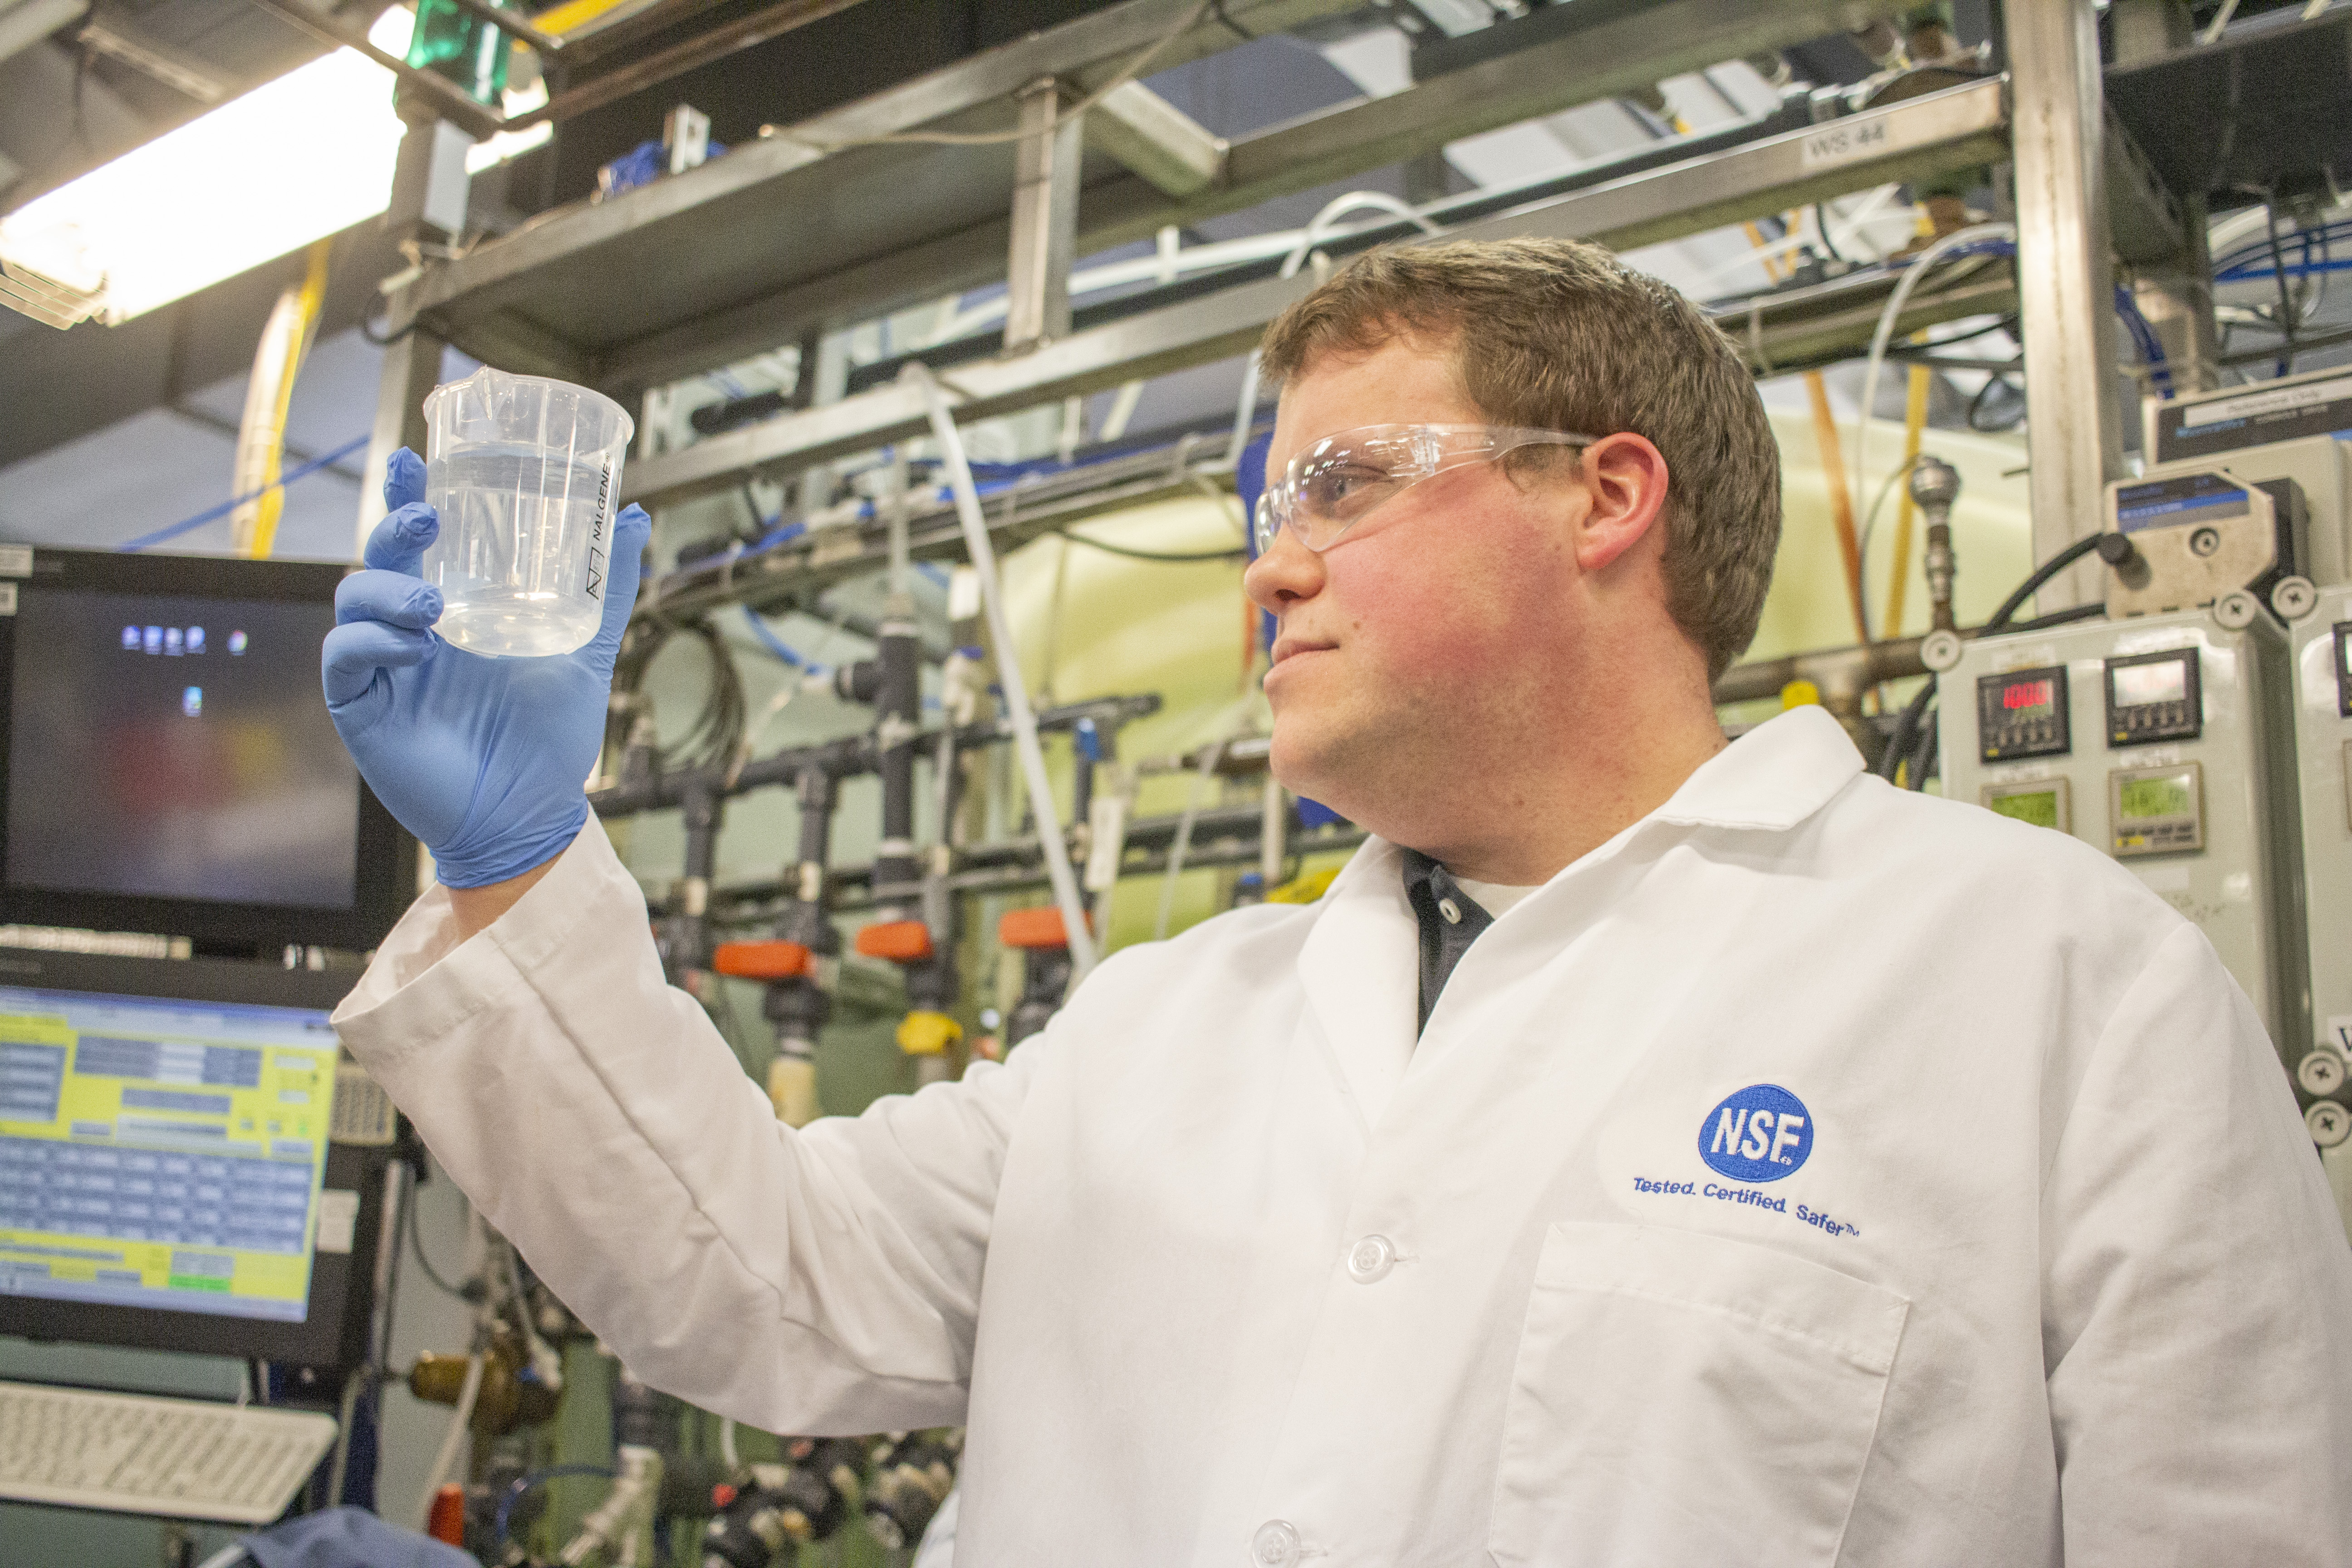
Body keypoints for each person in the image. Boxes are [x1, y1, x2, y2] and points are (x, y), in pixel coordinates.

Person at [323, 237, 2352, 1566]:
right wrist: (517, 860)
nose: (1268, 573)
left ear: (1604, 499)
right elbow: (754, 1283)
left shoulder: (2062, 995)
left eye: (1343, 487)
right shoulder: (1158, 1025)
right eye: (1259, 513)